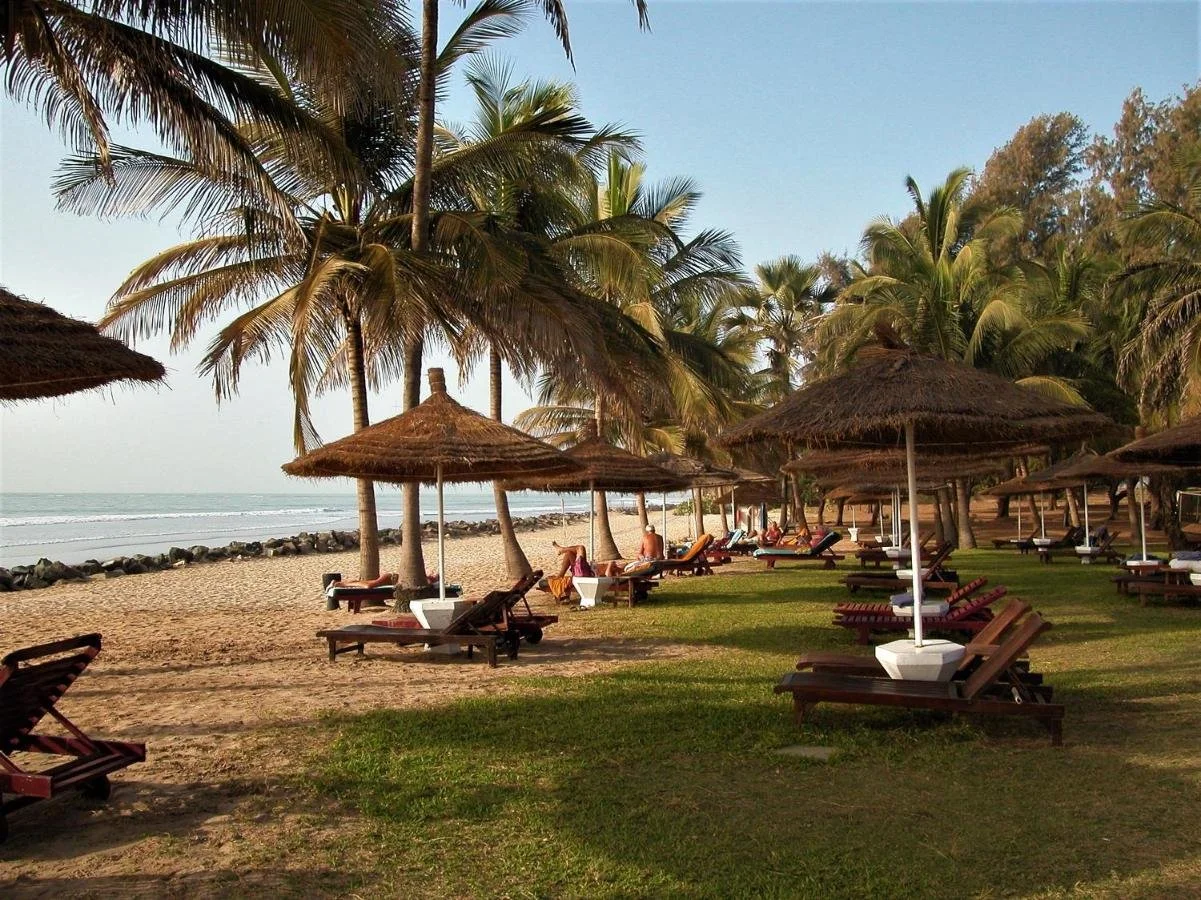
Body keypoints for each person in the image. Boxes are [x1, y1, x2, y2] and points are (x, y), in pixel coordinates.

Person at [598, 525, 665, 576]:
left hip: (649, 560)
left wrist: (640, 557)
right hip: (659, 559)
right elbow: (661, 550)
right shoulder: (660, 537)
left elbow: (640, 553)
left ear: (647, 531)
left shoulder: (645, 538)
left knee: (630, 565)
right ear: (654, 530)